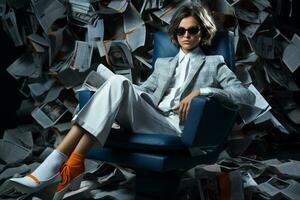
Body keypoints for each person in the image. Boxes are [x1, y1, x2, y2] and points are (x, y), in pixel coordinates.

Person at [10, 3, 255, 199]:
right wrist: (105, 87)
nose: (187, 35)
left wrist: (203, 91)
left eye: (193, 30)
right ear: (175, 34)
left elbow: (245, 96)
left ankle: (56, 166)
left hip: (175, 127)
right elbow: (142, 90)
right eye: (181, 30)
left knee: (117, 83)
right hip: (149, 115)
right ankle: (70, 164)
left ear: (203, 32)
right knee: (116, 81)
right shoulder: (163, 64)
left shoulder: (215, 63)